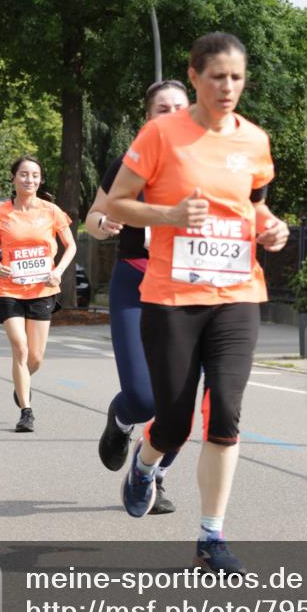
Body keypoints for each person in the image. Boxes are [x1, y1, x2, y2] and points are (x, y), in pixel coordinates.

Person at [106, 33, 289, 574]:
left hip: (237, 293)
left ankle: (211, 539)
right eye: (216, 76)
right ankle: (145, 464)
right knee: (175, 421)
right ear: (194, 76)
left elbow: (254, 206)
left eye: (236, 77)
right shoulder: (162, 134)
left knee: (226, 413)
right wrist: (167, 217)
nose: (227, 87)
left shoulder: (254, 140)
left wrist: (272, 228)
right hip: (173, 294)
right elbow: (118, 202)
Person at [85, 80, 189, 515]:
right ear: (149, 117)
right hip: (135, 282)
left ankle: (153, 477)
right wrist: (101, 225)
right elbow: (92, 217)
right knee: (145, 398)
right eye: (161, 108)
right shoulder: (127, 166)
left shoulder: (210, 165)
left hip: (186, 288)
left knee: (179, 401)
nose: (171, 115)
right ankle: (122, 419)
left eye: (179, 108)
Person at [0, 155, 76, 433]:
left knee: (35, 358)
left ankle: (20, 383)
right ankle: (26, 411)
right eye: (24, 174)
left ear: (40, 180)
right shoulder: (0, 214)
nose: (29, 180)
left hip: (42, 289)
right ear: (14, 178)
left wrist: (58, 270)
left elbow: (70, 246)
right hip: (8, 290)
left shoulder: (51, 211)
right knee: (20, 349)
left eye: (35, 175)